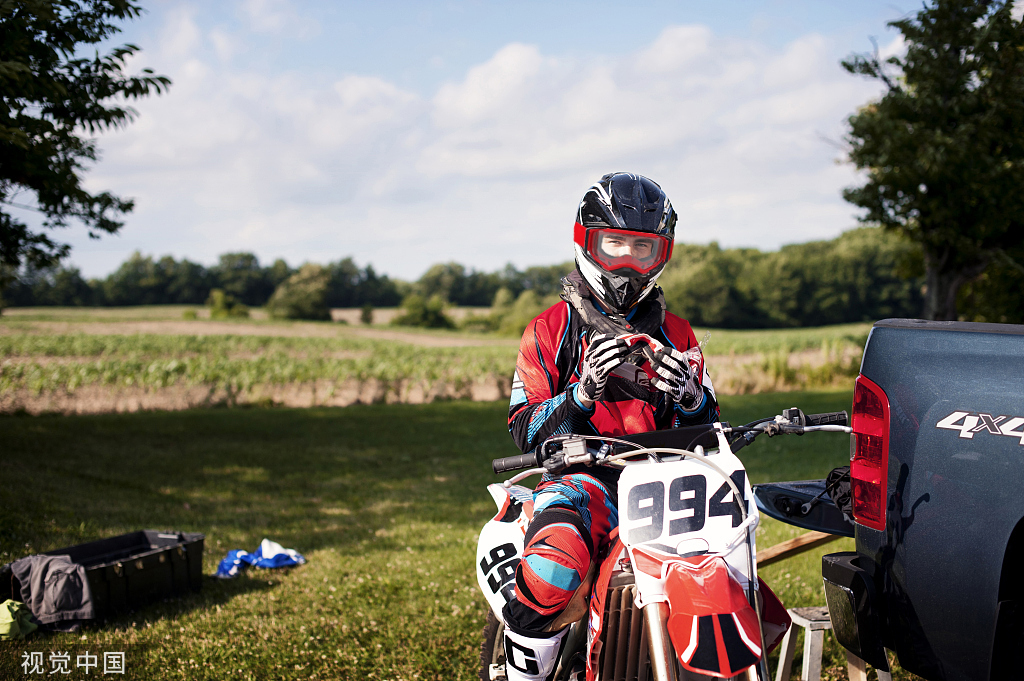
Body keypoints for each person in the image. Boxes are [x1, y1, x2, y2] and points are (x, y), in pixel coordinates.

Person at [501, 172, 720, 681]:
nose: (626, 263)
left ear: (661, 253)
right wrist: (581, 395)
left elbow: (708, 431)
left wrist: (688, 396)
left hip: (667, 482)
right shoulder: (549, 329)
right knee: (552, 570)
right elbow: (523, 430)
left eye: (641, 249)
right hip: (581, 480)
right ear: (586, 242)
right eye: (614, 244)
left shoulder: (679, 333)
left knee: (728, 564)